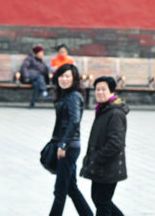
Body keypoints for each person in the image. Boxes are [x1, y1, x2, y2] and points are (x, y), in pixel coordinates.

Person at [80, 76, 129, 216]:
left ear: (112, 91)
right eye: (97, 89)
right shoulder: (103, 109)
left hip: (108, 166)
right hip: (100, 165)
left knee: (102, 202)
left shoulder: (115, 113)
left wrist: (97, 157)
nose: (100, 92)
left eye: (103, 89)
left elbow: (116, 143)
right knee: (100, 199)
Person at [49, 64, 93, 216]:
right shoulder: (65, 95)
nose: (64, 79)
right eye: (61, 76)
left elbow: (75, 121)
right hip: (66, 144)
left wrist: (63, 144)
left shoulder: (73, 96)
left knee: (60, 190)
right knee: (71, 188)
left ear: (74, 79)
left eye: (67, 76)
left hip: (68, 147)